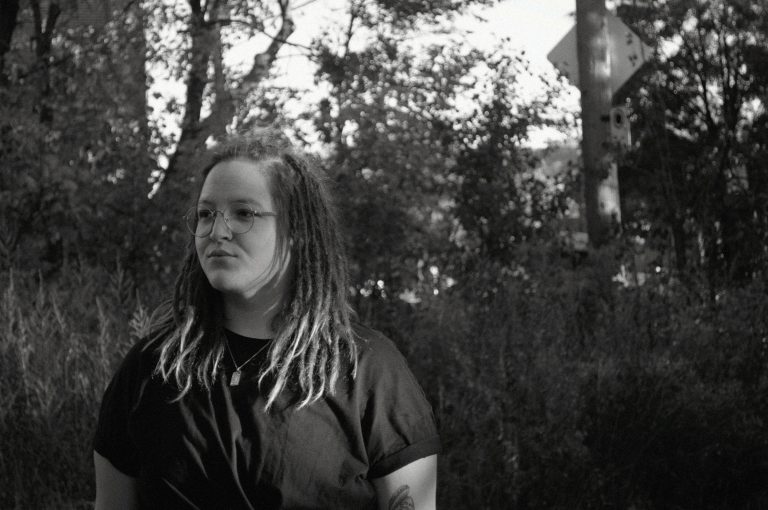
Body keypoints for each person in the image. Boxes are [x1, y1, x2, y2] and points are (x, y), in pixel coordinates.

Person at [92, 128, 440, 510]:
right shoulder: (152, 367)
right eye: (206, 214)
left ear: (298, 231)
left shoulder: (367, 370)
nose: (217, 231)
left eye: (244, 213)